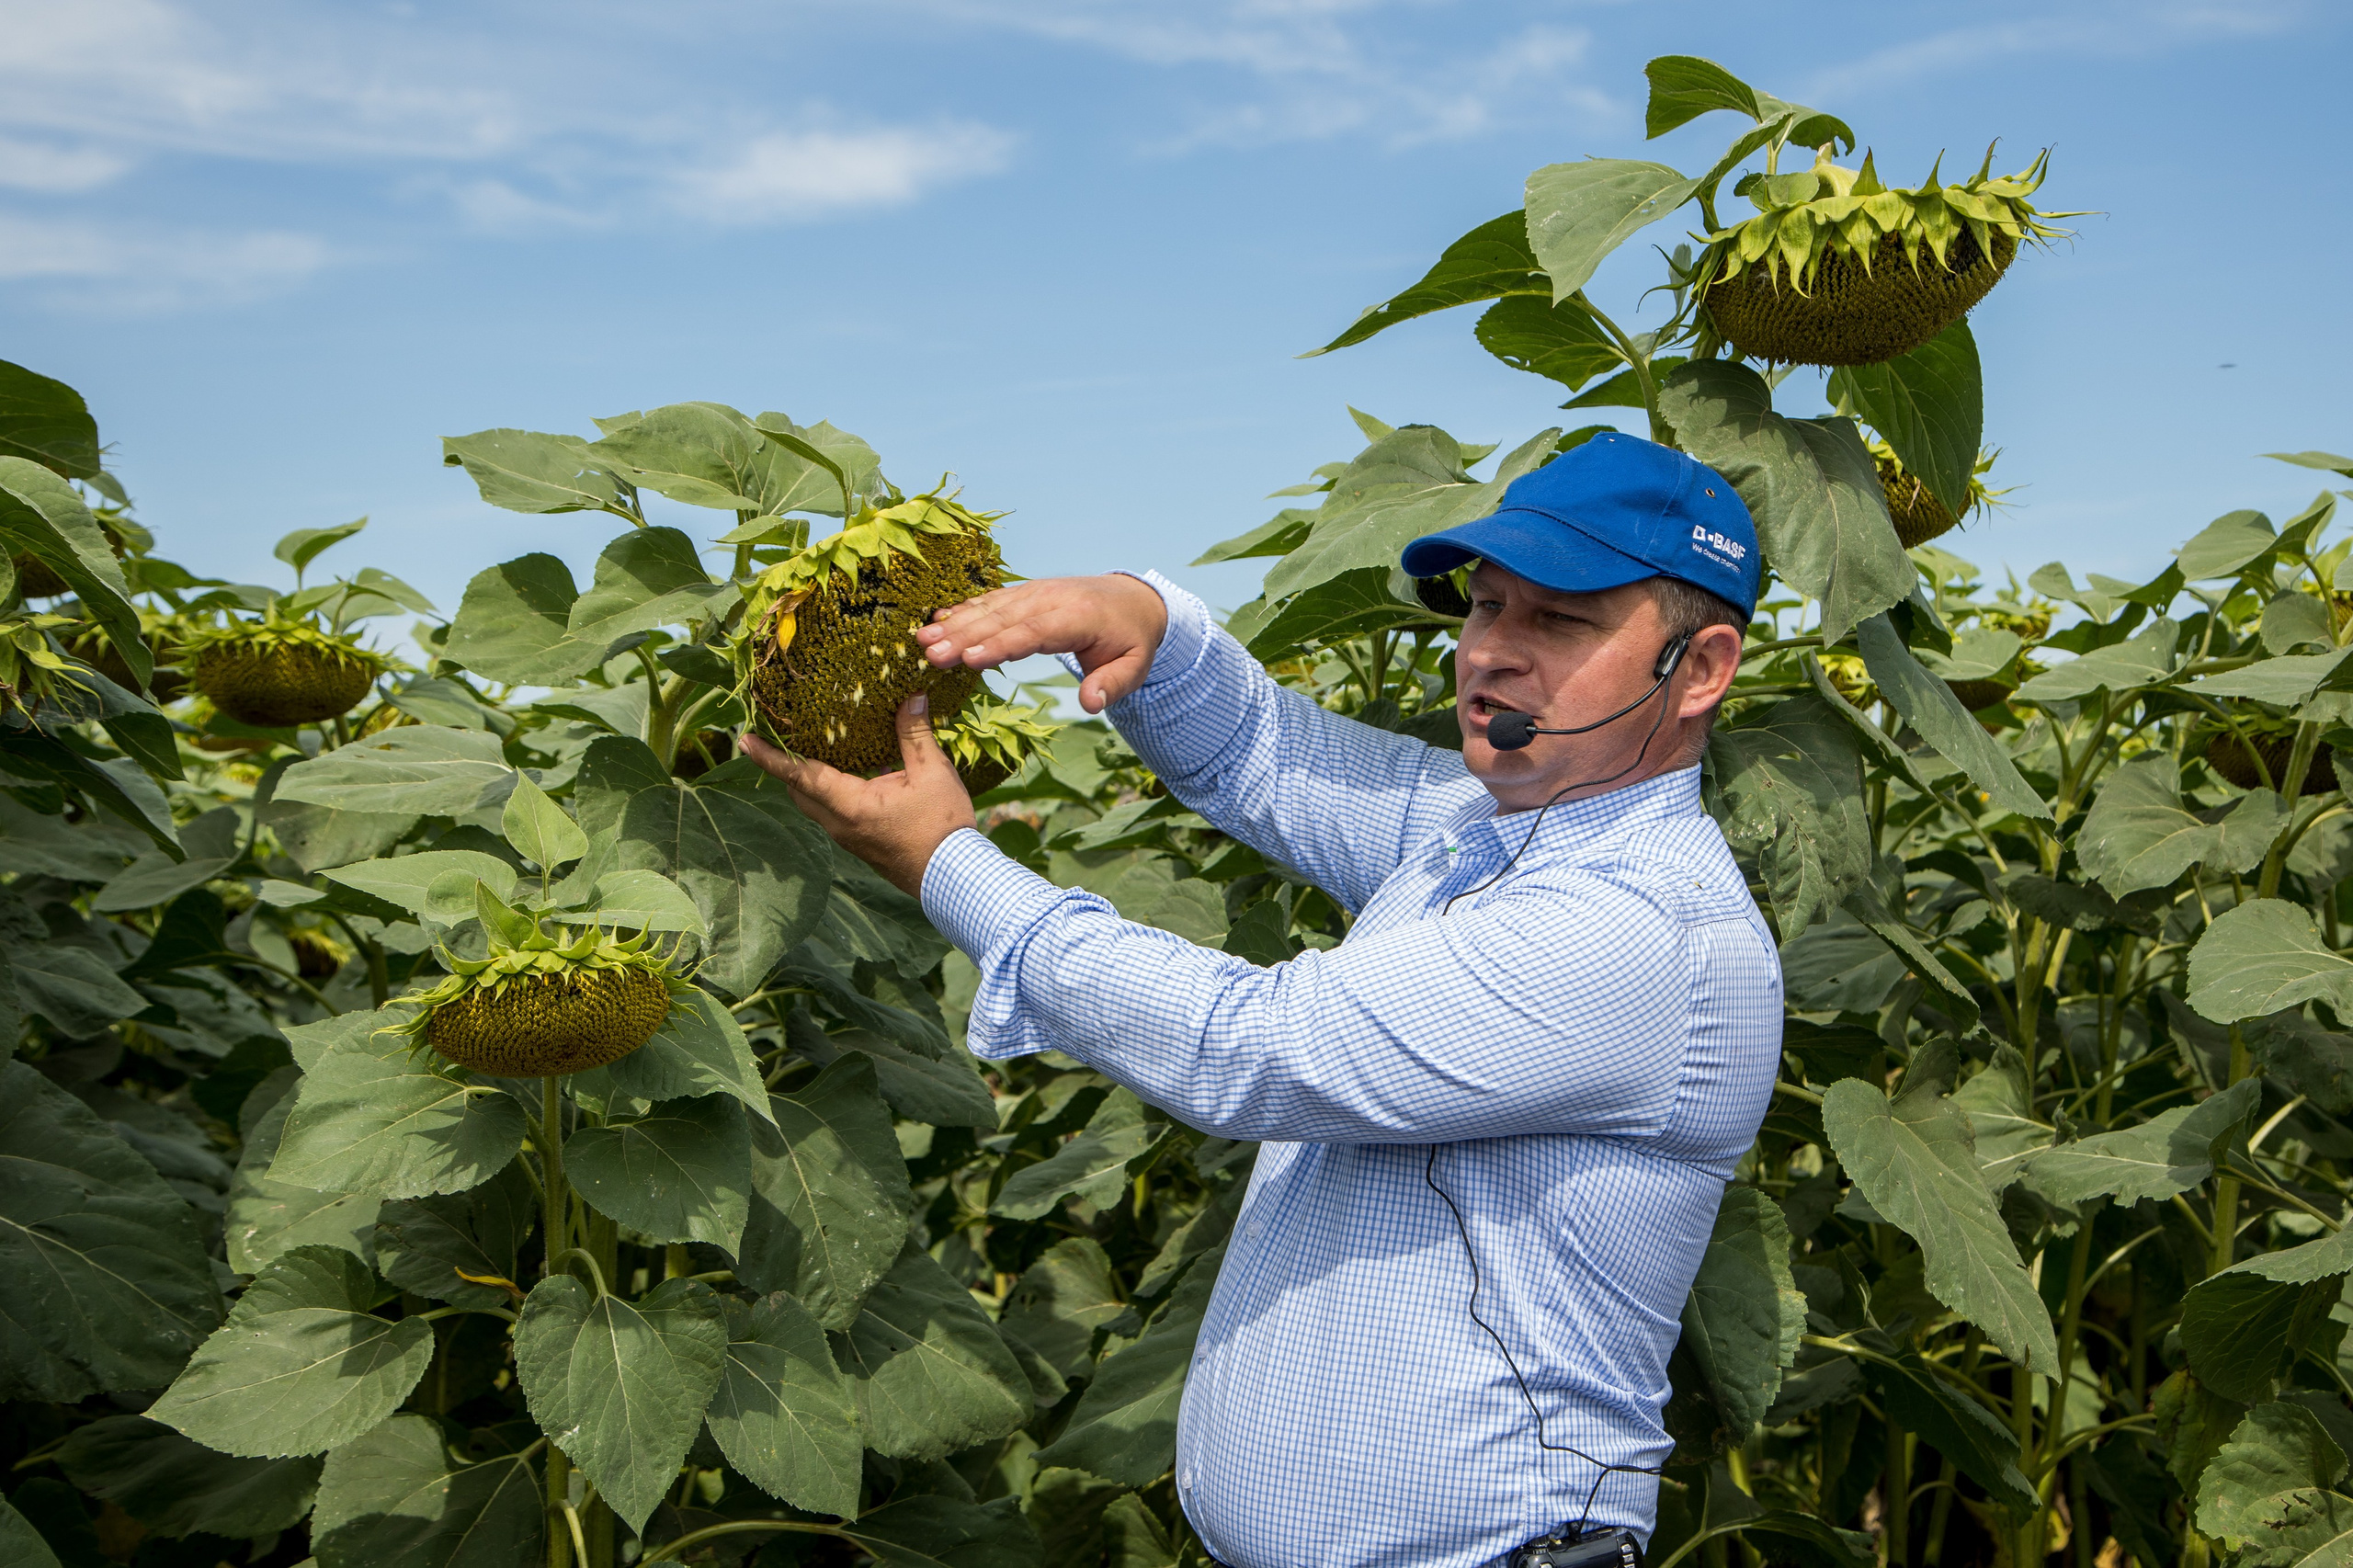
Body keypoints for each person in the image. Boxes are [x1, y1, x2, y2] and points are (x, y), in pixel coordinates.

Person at [741, 431, 1783, 1568]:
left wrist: (952, 864)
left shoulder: (1640, 929)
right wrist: (1139, 614)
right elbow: (1265, 753)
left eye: (1559, 622)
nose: (1492, 653)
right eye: (1486, 608)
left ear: (1701, 668)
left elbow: (1257, 1047)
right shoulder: (1481, 829)